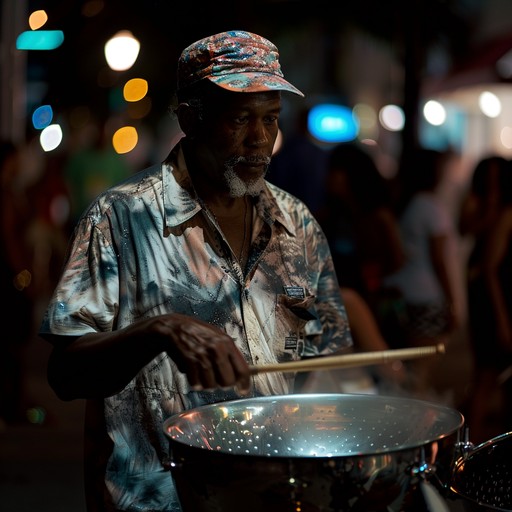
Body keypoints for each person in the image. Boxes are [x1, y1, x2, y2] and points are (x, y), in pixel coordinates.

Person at [39, 30, 353, 512]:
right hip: (159, 502)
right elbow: (65, 372)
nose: (260, 139)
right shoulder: (120, 219)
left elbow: (328, 370)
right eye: (239, 119)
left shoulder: (299, 226)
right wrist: (159, 331)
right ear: (191, 117)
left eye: (270, 119)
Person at [383, 148, 461, 400]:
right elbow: (439, 260)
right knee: (420, 373)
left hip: (399, 294)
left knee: (406, 370)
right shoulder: (431, 207)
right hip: (426, 298)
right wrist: (452, 302)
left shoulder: (403, 203)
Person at [458, 155, 512, 442]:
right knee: (486, 373)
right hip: (490, 290)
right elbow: (464, 229)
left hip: (493, 286)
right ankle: (473, 442)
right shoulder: (485, 205)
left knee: (492, 375)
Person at [0, 140, 36, 426]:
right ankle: (12, 405)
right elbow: (10, 238)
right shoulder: (7, 196)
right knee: (13, 343)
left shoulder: (12, 193)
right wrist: (23, 276)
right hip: (9, 280)